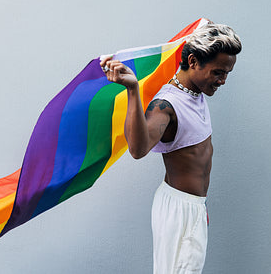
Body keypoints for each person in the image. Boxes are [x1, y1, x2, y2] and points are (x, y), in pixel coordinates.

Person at [100, 22, 242, 273]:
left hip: (192, 207)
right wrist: (133, 89)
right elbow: (137, 149)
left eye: (227, 73)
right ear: (193, 61)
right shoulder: (167, 105)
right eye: (218, 72)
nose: (223, 80)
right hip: (181, 211)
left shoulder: (195, 92)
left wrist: (199, 208)